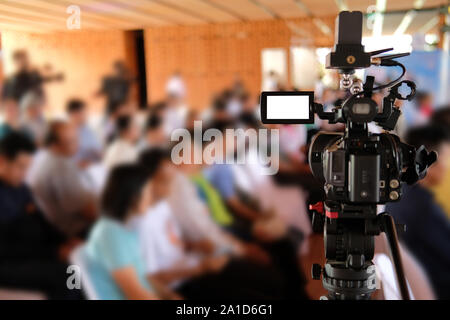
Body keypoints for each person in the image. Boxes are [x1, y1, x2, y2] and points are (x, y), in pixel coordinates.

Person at [134, 148, 299, 299]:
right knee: (268, 278)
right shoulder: (145, 218)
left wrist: (194, 246)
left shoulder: (166, 202)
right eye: (165, 181)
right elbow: (153, 276)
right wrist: (237, 249)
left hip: (202, 257)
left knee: (274, 267)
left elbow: (179, 242)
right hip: (190, 275)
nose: (199, 156)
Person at [0, 132, 78, 299]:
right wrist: (53, 252)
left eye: (28, 167)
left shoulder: (21, 188)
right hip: (8, 262)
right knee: (66, 275)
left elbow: (41, 221)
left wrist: (65, 241)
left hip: (33, 254)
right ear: (2, 160)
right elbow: (6, 248)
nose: (25, 174)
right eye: (21, 167)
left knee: (75, 269)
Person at [386, 125, 450, 299]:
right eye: (445, 157)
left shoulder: (399, 195)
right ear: (426, 160)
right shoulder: (423, 207)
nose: (446, 167)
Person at [82, 164, 162, 300]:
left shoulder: (125, 230)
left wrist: (170, 295)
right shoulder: (110, 234)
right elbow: (137, 295)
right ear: (132, 196)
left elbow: (143, 278)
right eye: (148, 192)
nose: (151, 198)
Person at [28, 120, 97, 237]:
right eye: (71, 141)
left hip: (55, 225)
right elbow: (87, 212)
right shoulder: (61, 166)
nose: (78, 145)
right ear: (54, 145)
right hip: (76, 231)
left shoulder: (43, 156)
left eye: (76, 138)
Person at [66, 98, 102, 165]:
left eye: (86, 113)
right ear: (74, 114)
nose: (86, 116)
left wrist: (98, 154)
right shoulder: (66, 133)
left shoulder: (88, 130)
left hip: (93, 167)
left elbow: (98, 150)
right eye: (83, 113)